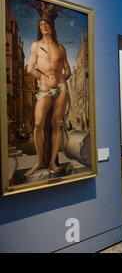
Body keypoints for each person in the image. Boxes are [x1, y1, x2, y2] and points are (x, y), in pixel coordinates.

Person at [25, 17, 71, 177]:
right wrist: (43, 78)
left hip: (61, 89)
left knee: (56, 124)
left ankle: (52, 162)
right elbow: (30, 68)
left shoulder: (60, 48)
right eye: (41, 25)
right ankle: (39, 161)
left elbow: (68, 70)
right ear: (39, 29)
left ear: (51, 27)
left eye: (47, 24)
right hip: (44, 89)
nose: (45, 26)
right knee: (38, 124)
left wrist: (60, 81)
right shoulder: (35, 46)